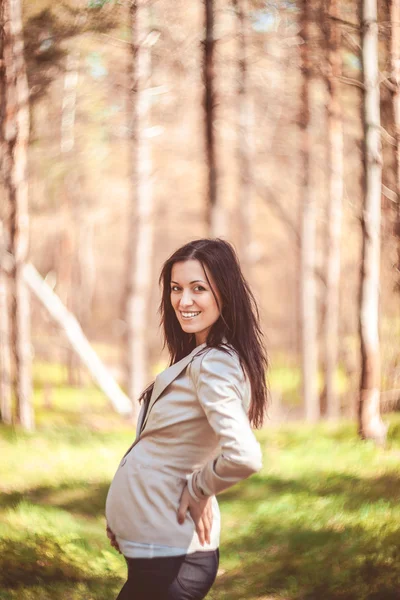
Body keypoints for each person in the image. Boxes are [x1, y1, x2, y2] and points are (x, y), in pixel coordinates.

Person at [105, 238, 269, 600]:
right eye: (176, 289)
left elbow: (244, 455)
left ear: (224, 292)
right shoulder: (204, 357)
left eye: (199, 289)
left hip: (172, 557)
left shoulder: (214, 363)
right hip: (158, 547)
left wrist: (199, 488)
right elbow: (199, 438)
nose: (183, 301)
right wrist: (131, 513)